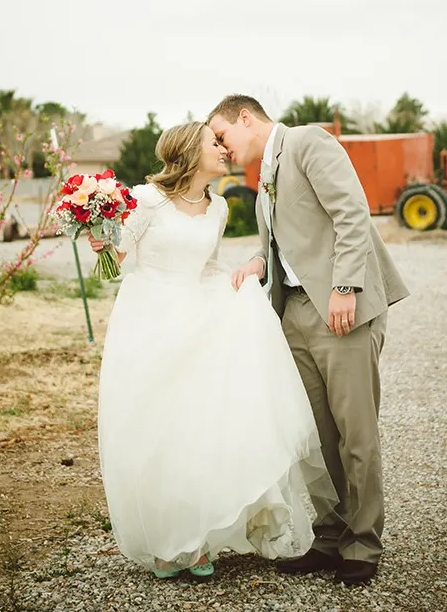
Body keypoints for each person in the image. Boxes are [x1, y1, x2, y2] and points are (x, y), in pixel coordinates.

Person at [89, 121, 337, 581]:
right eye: (214, 143)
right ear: (188, 151)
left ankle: (196, 537)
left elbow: (204, 265)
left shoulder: (219, 207)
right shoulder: (145, 201)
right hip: (148, 322)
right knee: (156, 431)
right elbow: (117, 264)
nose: (223, 150)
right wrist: (100, 239)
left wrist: (239, 276)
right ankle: (165, 543)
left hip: (197, 319)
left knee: (196, 426)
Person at [208, 95, 409, 587]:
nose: (221, 147)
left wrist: (345, 287)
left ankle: (362, 545)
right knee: (316, 436)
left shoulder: (307, 143)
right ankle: (328, 537)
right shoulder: (262, 178)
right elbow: (283, 241)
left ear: (246, 118)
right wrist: (259, 261)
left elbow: (352, 213)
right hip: (293, 312)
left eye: (222, 135)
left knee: (354, 432)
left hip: (339, 309)